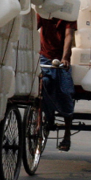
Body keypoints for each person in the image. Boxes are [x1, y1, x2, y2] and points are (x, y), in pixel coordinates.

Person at [37, 13, 77, 152]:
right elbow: (32, 29)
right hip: (43, 56)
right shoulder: (43, 11)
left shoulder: (68, 11)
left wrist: (65, 58)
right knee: (41, 85)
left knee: (64, 91)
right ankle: (43, 118)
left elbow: (68, 36)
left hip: (61, 60)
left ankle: (67, 134)